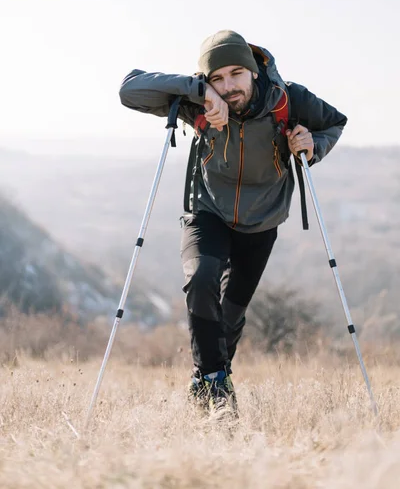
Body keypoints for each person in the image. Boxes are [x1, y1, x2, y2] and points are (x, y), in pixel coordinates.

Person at [119, 30, 347, 419]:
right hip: (207, 211)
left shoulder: (288, 100)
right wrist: (199, 91)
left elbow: (335, 122)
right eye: (217, 78)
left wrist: (313, 143)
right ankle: (217, 384)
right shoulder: (198, 100)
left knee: (231, 312)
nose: (228, 86)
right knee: (202, 277)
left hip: (262, 220)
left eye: (236, 73)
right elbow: (130, 90)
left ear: (254, 71)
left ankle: (204, 380)